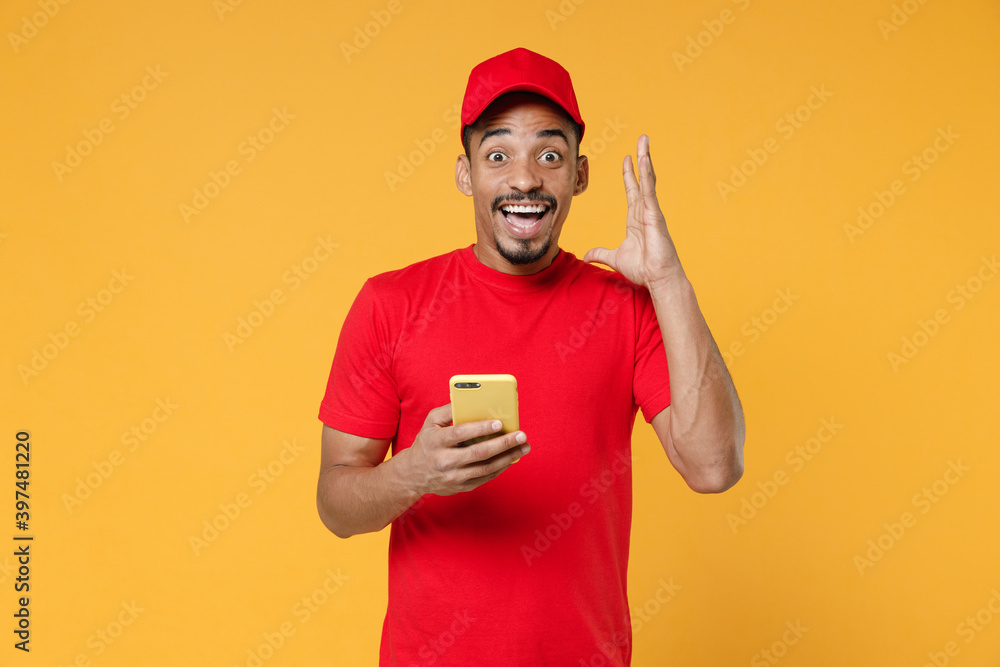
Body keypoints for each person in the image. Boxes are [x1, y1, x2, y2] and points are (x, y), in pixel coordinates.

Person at [316, 47, 745, 666]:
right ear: (466, 174)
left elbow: (713, 467)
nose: (524, 179)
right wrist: (415, 474)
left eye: (550, 154)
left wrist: (668, 279)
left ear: (579, 174)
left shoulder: (628, 306)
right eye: (498, 155)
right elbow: (337, 505)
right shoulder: (391, 304)